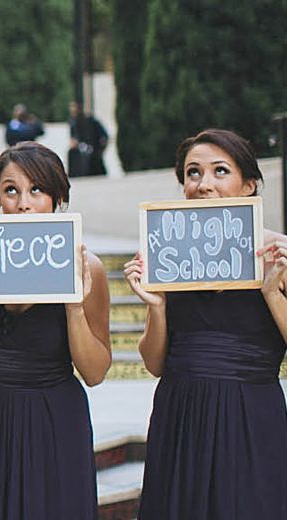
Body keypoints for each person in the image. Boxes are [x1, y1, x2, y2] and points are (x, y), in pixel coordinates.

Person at [0, 142, 111, 519]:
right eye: (11, 190)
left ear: (57, 197)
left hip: (55, 417)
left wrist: (75, 308)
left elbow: (95, 372)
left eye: (37, 190)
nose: (24, 203)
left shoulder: (86, 267)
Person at [126, 129, 287, 518]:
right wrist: (157, 306)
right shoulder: (164, 252)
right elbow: (154, 363)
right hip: (181, 413)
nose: (204, 185)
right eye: (193, 173)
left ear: (248, 185)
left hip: (251, 413)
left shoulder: (278, 253)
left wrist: (271, 292)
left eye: (219, 171)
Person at [67, 101, 108, 178]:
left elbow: (103, 136)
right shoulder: (73, 122)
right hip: (81, 153)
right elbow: (74, 139)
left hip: (93, 151)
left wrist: (102, 148)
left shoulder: (91, 121)